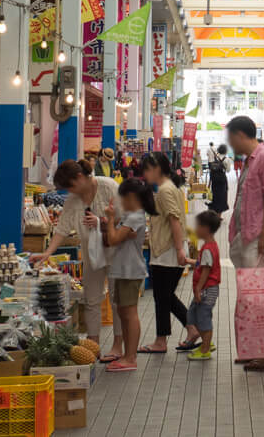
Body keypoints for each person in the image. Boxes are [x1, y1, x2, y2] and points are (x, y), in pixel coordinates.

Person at [30, 158, 117, 351]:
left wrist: (101, 221)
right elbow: (62, 229)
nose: (70, 192)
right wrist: (47, 253)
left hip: (116, 252)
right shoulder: (72, 201)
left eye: (70, 187)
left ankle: (118, 346)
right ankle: (94, 346)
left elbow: (126, 218)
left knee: (116, 301)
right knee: (91, 299)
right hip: (90, 256)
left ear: (80, 177)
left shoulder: (108, 186)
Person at [226, 114, 264, 371]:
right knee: (249, 296)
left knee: (262, 297)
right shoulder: (250, 161)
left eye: (230, 138)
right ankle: (254, 349)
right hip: (245, 236)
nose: (229, 144)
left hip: (257, 237)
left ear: (241, 135)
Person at [138, 152, 191, 353]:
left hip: (167, 250)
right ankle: (189, 329)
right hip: (169, 249)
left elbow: (174, 220)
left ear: (157, 169)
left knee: (163, 297)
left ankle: (167, 338)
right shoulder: (170, 188)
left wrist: (178, 249)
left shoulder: (165, 190)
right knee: (165, 297)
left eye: (147, 169)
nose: (144, 174)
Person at [99, 178, 154, 372]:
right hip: (123, 269)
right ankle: (127, 354)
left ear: (131, 197)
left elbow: (113, 240)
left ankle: (131, 357)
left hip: (130, 270)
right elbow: (120, 237)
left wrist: (111, 220)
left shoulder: (134, 217)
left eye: (123, 197)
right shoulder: (132, 216)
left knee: (130, 314)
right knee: (123, 312)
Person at [186, 210, 223, 361]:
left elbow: (206, 270)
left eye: (198, 226)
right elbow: (203, 265)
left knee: (203, 317)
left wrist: (198, 289)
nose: (195, 229)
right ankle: (206, 344)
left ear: (206, 228)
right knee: (193, 314)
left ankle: (205, 349)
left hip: (206, 289)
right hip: (206, 289)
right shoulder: (209, 246)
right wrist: (189, 261)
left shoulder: (208, 248)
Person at [208, 145, 230, 214]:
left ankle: (214, 212)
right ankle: (219, 215)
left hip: (214, 180)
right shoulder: (227, 159)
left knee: (215, 196)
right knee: (222, 197)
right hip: (222, 181)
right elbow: (228, 170)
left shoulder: (215, 158)